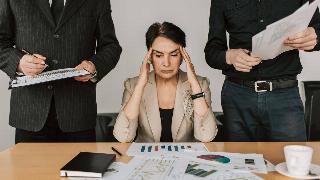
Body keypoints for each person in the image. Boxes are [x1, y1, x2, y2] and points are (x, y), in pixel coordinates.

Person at [0, 0, 122, 143]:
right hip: (29, 114)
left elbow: (111, 46)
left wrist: (94, 66)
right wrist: (19, 62)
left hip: (78, 116)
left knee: (80, 166)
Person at [205, 0, 320, 141]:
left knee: (293, 160)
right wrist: (229, 56)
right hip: (238, 97)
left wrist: (314, 36)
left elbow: (317, 30)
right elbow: (212, 51)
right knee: (238, 161)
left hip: (285, 96)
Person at [113, 22, 217, 142]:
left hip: (185, 158)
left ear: (183, 56)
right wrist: (140, 85)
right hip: (147, 158)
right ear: (150, 56)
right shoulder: (132, 85)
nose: (166, 63)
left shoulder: (200, 84)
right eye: (158, 55)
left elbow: (206, 136)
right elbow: (123, 136)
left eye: (173, 55)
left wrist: (193, 82)